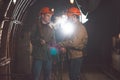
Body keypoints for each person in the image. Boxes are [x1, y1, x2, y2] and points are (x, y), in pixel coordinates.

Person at [58, 7, 88, 80]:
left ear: (74, 16)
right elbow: (67, 39)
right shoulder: (73, 27)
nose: (68, 18)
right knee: (72, 76)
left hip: (76, 56)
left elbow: (74, 43)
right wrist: (64, 46)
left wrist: (61, 44)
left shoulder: (80, 28)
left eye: (69, 16)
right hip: (71, 55)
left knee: (74, 77)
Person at [30, 7, 55, 80]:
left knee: (47, 77)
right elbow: (32, 39)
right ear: (42, 16)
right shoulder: (36, 26)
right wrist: (39, 41)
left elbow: (54, 41)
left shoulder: (51, 27)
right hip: (38, 56)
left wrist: (54, 55)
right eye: (48, 15)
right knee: (36, 76)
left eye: (50, 16)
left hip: (48, 56)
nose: (49, 17)